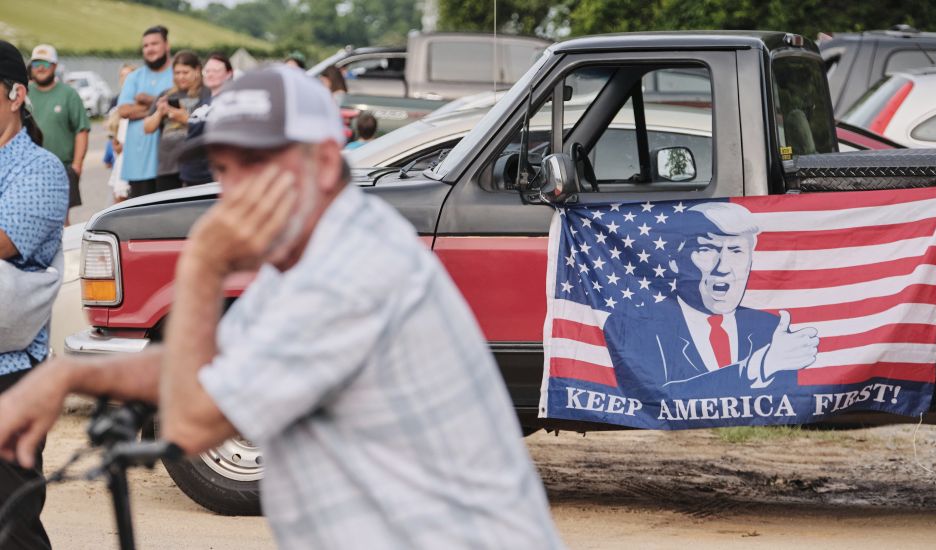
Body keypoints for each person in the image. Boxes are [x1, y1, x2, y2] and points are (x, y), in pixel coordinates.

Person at [0, 66, 565, 549]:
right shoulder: (314, 249)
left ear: (322, 162)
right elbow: (213, 366)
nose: (235, 190)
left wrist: (202, 263)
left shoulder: (352, 271)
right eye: (223, 170)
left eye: (257, 164)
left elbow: (194, 421)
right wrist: (68, 375)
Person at [607, 202, 820, 392]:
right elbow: (654, 400)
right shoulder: (634, 326)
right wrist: (759, 367)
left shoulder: (770, 330)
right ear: (674, 260)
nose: (723, 267)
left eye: (736, 251)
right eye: (707, 249)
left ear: (750, 262)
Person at [0, 39, 69, 550]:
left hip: (12, 376)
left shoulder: (40, 169)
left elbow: (4, 241)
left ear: (15, 94)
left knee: (12, 525)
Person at [26, 44, 89, 224]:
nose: (40, 68)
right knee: (32, 218)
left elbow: (81, 130)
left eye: (45, 64)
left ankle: (64, 253)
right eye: (36, 63)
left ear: (54, 66)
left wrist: (77, 165)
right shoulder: (25, 94)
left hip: (61, 167)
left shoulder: (68, 94)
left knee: (61, 220)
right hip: (30, 169)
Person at [118, 25, 174, 198]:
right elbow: (124, 110)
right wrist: (160, 104)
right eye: (145, 45)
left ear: (167, 45)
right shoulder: (135, 77)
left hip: (170, 164)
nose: (150, 49)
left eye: (154, 44)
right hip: (138, 164)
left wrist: (146, 100)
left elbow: (181, 106)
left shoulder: (177, 74)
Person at [143, 50, 208, 192]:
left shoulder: (206, 94)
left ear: (197, 70)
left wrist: (182, 116)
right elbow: (147, 128)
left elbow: (207, 126)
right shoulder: (166, 94)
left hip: (197, 166)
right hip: (167, 166)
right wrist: (160, 112)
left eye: (185, 72)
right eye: (177, 73)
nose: (180, 77)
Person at [179, 53, 233, 186]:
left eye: (216, 70)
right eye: (207, 70)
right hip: (191, 174)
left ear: (228, 73)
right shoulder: (204, 102)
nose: (210, 74)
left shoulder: (230, 102)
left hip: (211, 176)